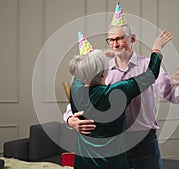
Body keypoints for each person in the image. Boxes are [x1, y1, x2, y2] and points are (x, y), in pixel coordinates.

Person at [64, 2, 179, 169]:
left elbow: (174, 96)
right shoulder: (101, 70)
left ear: (132, 39)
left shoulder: (148, 65)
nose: (115, 44)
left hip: (144, 143)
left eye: (119, 39)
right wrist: (70, 120)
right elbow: (79, 102)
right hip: (112, 144)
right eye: (111, 40)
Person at [69, 30, 170, 169]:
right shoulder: (117, 91)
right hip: (111, 163)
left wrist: (95, 57)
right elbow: (151, 74)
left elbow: (79, 74)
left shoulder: (75, 89)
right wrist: (156, 48)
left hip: (83, 162)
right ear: (104, 71)